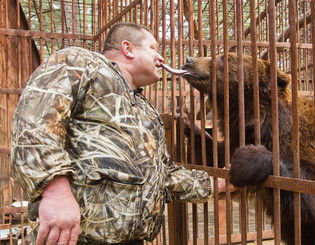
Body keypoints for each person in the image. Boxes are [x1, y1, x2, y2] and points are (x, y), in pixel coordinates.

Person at [11, 22, 212, 245]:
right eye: (153, 48)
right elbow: (35, 122)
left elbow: (161, 175)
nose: (161, 58)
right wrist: (55, 193)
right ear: (128, 49)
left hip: (132, 239)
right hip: (73, 238)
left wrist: (214, 184)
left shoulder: (144, 108)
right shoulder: (82, 63)